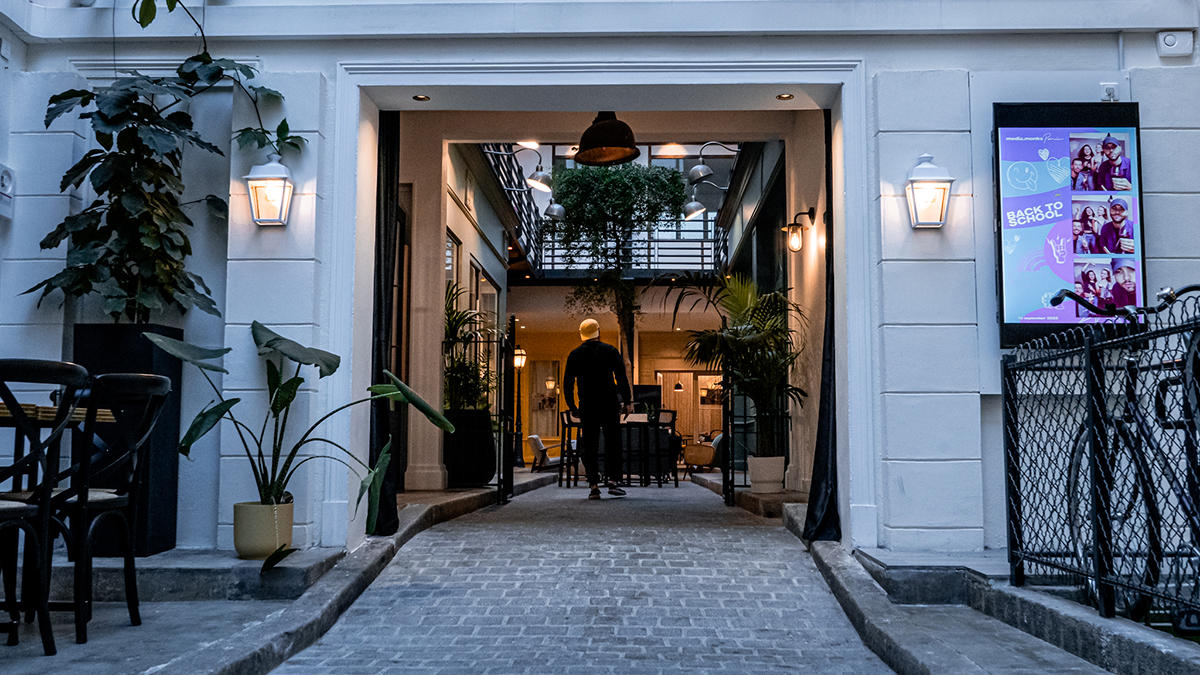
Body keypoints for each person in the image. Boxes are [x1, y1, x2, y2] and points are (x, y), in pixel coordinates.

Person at [563, 318, 633, 500]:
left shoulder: (574, 355)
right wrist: (627, 401)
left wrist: (572, 406)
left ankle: (593, 486)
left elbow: (568, 384)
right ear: (598, 332)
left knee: (590, 446)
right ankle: (613, 483)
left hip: (587, 405)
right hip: (609, 404)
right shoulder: (610, 350)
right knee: (613, 444)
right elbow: (621, 377)